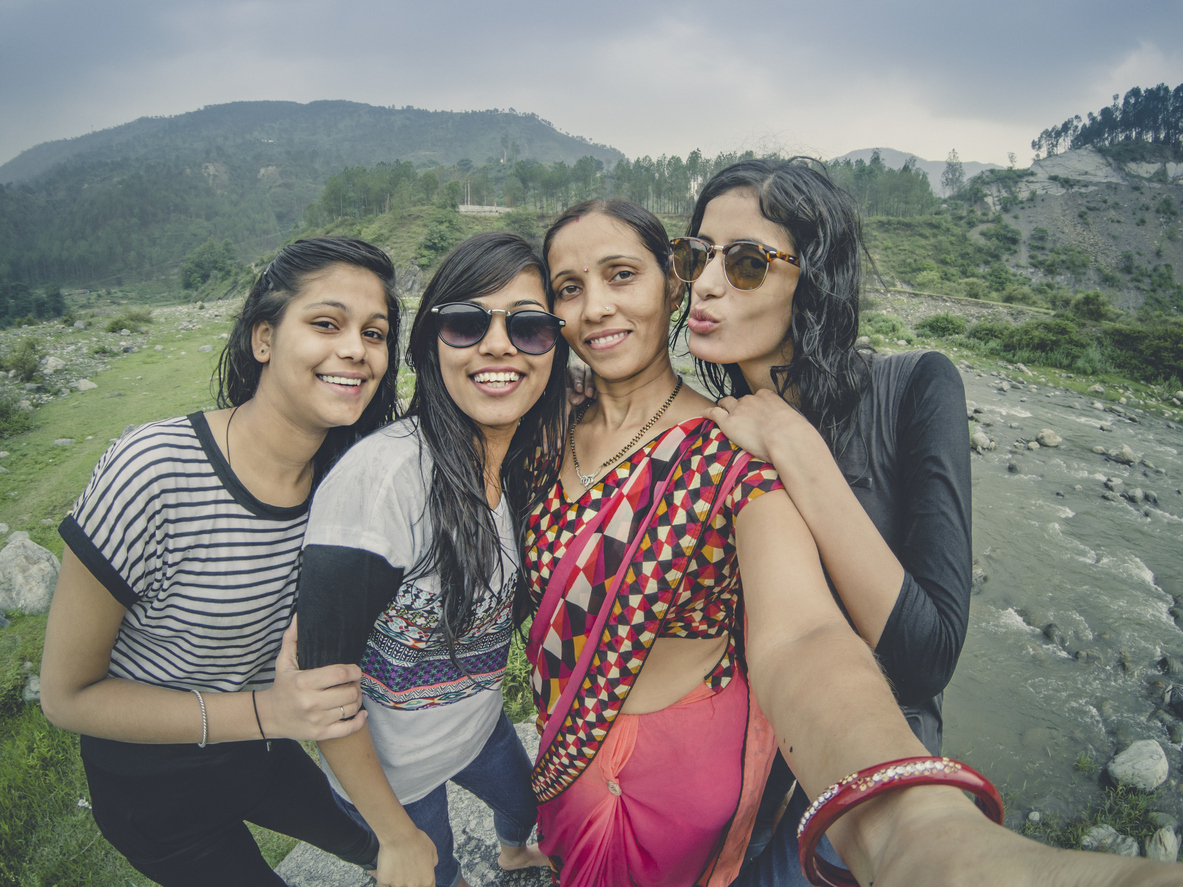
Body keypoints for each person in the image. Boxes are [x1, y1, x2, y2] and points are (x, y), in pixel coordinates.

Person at [528, 198, 1180, 887]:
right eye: (568, 288)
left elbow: (803, 636)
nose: (595, 306)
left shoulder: (736, 452)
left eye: (622, 274)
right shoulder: (550, 434)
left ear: (668, 287)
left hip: (792, 753)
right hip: (613, 758)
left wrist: (917, 829)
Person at [40, 237, 403, 887]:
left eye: (374, 333)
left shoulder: (346, 481)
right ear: (264, 338)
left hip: (260, 752)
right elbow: (66, 697)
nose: (355, 348)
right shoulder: (152, 471)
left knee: (390, 845)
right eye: (326, 323)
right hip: (153, 789)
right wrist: (270, 714)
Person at [678, 156, 971, 876]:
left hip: (861, 771)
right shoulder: (710, 424)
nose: (706, 283)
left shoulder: (915, 389)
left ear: (813, 280)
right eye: (696, 255)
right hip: (732, 765)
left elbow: (926, 656)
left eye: (745, 263)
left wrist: (797, 448)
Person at [296, 232, 567, 887]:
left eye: (529, 327)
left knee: (526, 808)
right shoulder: (384, 483)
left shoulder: (526, 461)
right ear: (428, 344)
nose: (498, 345)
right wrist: (394, 836)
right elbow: (323, 692)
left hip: (479, 726)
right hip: (397, 772)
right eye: (466, 323)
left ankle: (511, 852)